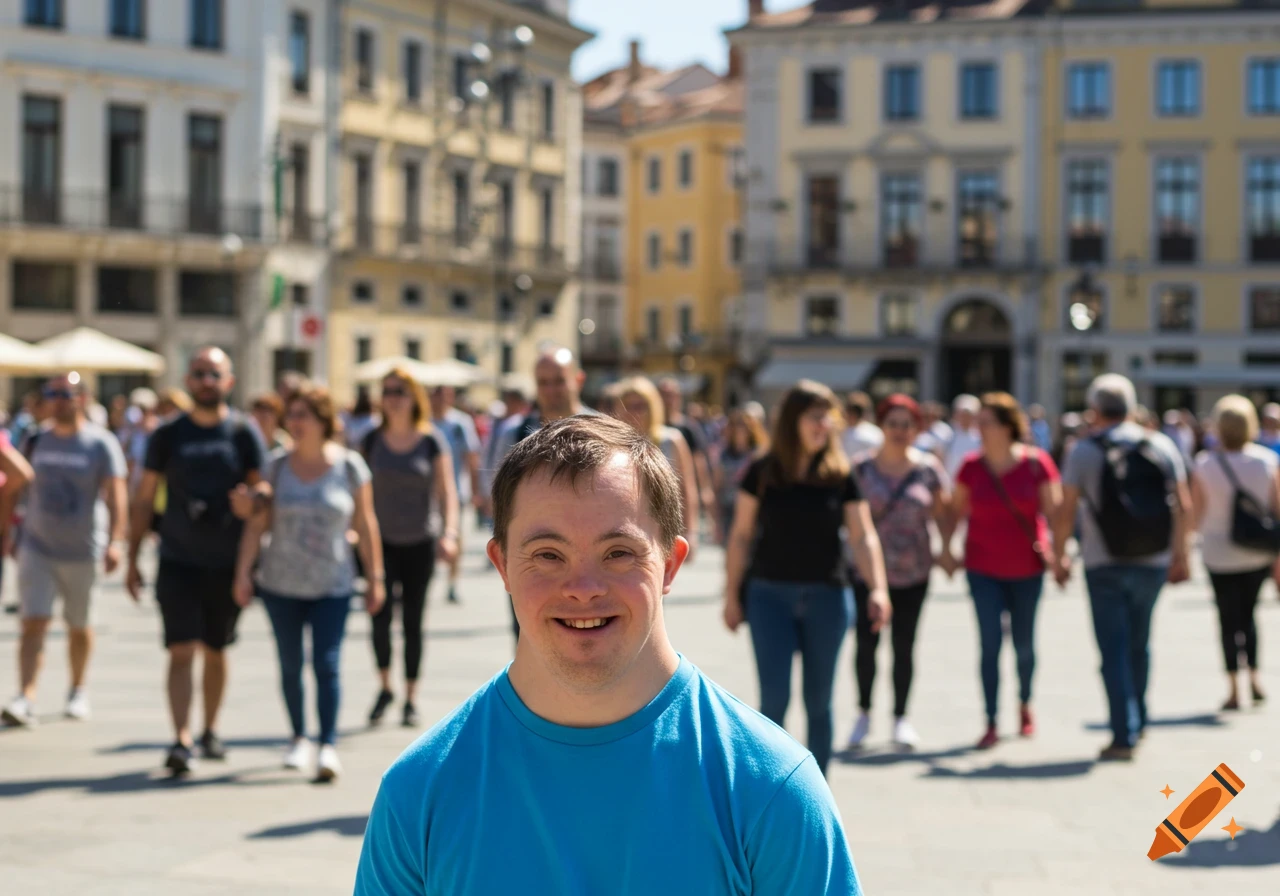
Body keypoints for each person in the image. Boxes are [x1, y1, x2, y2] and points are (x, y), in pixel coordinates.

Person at [354, 415, 863, 894]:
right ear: (502, 565)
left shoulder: (772, 788)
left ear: (670, 564)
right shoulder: (418, 792)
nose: (582, 588)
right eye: (547, 555)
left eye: (618, 552)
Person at [723, 380, 890, 775]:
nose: (825, 425)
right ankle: (773, 794)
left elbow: (863, 535)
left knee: (819, 702)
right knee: (774, 700)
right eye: (816, 416)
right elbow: (741, 535)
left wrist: (879, 589)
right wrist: (731, 595)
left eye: (828, 417)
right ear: (793, 421)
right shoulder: (763, 471)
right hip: (769, 595)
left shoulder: (839, 473)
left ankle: (817, 793)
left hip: (827, 597)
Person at [233, 385, 385, 780]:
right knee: (289, 663)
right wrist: (242, 573)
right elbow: (256, 523)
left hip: (333, 583)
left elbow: (366, 525)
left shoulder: (350, 466)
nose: (295, 423)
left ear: (323, 421)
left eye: (303, 415)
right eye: (292, 415)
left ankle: (328, 744)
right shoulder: (276, 466)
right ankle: (298, 737)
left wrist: (375, 578)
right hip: (280, 582)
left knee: (327, 664)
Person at [126, 348, 266, 775]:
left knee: (216, 649)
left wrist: (253, 502)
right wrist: (131, 557)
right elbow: (145, 496)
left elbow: (264, 495)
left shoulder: (244, 432)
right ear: (188, 380)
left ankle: (211, 729)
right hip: (177, 559)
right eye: (200, 373)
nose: (207, 380)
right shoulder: (168, 434)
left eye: (215, 373)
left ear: (229, 381)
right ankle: (182, 738)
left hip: (225, 561)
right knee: (181, 648)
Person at [1052, 374, 1189, 761]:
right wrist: (1181, 555)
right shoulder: (1161, 444)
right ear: (1130, 408)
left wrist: (1060, 556)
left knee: (1112, 648)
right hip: (1152, 560)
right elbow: (1184, 505)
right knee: (1139, 643)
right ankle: (1139, 718)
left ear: (1094, 410)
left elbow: (1066, 509)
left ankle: (1122, 732)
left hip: (1103, 561)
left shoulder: (1084, 450)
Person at [2, 373, 127, 727]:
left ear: (82, 398)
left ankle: (78, 689)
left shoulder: (100, 443)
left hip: (83, 549)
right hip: (37, 545)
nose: (57, 400)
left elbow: (117, 493)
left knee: (79, 625)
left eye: (64, 394)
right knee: (33, 621)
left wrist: (116, 541)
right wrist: (10, 530)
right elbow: (17, 486)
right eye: (51, 394)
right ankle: (25, 695)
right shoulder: (34, 438)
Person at [944, 392, 1062, 751]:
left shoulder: (1036, 463)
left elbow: (1055, 514)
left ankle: (1025, 702)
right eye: (978, 422)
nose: (978, 428)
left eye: (986, 422)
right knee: (990, 644)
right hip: (982, 568)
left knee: (1024, 644)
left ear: (1008, 427)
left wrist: (1060, 554)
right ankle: (992, 719)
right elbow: (955, 511)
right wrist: (946, 548)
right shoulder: (970, 466)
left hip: (1027, 567)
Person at [847, 395, 952, 752]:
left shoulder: (929, 469)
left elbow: (943, 514)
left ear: (916, 428)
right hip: (866, 573)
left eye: (907, 424)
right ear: (881, 426)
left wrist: (947, 550)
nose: (900, 431)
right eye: (893, 423)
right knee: (866, 644)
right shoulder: (860, 468)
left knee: (904, 645)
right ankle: (863, 713)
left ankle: (900, 718)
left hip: (914, 572)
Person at [360, 370, 459, 728]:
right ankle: (385, 687)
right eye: (387, 391)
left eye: (400, 391)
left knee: (414, 621)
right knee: (379, 616)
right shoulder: (371, 440)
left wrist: (449, 533)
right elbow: (359, 492)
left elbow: (448, 492)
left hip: (420, 540)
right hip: (379, 542)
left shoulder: (430, 440)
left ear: (413, 396)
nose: (393, 397)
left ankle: (411, 696)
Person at [484, 348, 599, 639]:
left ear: (578, 379)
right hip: (533, 552)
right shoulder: (515, 432)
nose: (550, 390)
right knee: (528, 633)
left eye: (558, 380)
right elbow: (497, 491)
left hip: (589, 553)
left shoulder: (600, 430)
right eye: (543, 382)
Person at [1189, 396, 1279, 711]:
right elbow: (1277, 510)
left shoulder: (1204, 464)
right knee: (1249, 617)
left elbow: (1195, 515)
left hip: (1218, 553)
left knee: (1227, 620)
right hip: (1257, 553)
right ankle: (1254, 677)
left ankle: (1232, 688)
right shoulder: (1266, 461)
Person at [617, 377, 699, 554]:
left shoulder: (671, 440)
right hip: (624, 528)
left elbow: (687, 488)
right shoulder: (613, 442)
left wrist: (691, 531)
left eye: (640, 406)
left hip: (662, 528)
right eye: (628, 406)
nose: (634, 412)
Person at [429, 384, 480, 605]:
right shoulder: (424, 423)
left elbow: (471, 456)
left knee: (454, 538)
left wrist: (476, 490)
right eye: (437, 396)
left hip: (454, 492)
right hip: (427, 495)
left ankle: (451, 583)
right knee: (429, 539)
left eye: (446, 396)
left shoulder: (460, 423)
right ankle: (426, 581)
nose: (441, 400)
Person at [657, 377, 717, 526]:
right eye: (663, 395)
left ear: (678, 398)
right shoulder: (650, 426)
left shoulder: (688, 428)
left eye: (670, 395)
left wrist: (705, 489)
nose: (667, 400)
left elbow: (698, 460)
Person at [714, 409, 768, 546]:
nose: (740, 429)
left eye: (744, 425)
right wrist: (716, 520)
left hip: (752, 507)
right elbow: (717, 486)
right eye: (737, 425)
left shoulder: (758, 453)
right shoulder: (724, 454)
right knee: (731, 547)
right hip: (729, 508)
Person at [942, 394, 981, 480]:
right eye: (962, 414)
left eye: (968, 415)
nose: (964, 418)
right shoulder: (948, 437)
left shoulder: (981, 439)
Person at [841, 391, 883, 460]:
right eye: (850, 409)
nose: (853, 413)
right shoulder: (837, 432)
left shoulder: (875, 433)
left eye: (857, 410)